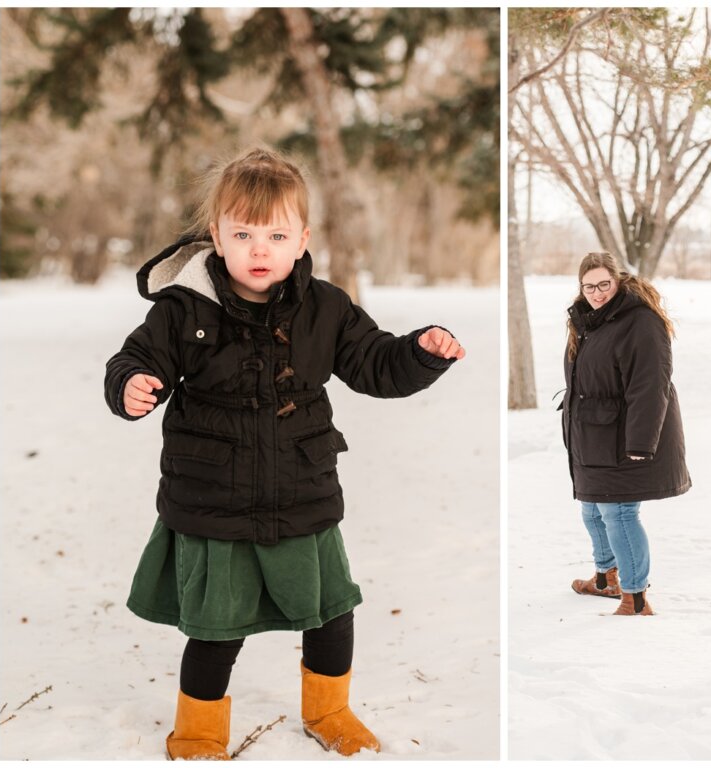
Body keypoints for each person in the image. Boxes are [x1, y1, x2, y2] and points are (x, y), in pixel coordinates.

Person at [104, 147, 464, 759]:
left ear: (302, 239)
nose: (259, 249)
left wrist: (420, 353)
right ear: (216, 235)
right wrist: (131, 385)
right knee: (216, 630)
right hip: (214, 499)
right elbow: (134, 359)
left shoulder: (325, 308)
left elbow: (375, 363)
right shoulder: (183, 309)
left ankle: (330, 712)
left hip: (302, 491)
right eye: (243, 233)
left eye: (275, 234)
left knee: (330, 613)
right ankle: (198, 730)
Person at [562, 252, 691, 616]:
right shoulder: (586, 320)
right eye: (589, 286)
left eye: (604, 284)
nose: (597, 293)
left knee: (618, 513)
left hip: (623, 435)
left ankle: (635, 597)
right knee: (592, 510)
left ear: (618, 281)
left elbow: (651, 386)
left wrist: (640, 442)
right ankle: (607, 578)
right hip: (592, 433)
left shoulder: (640, 321)